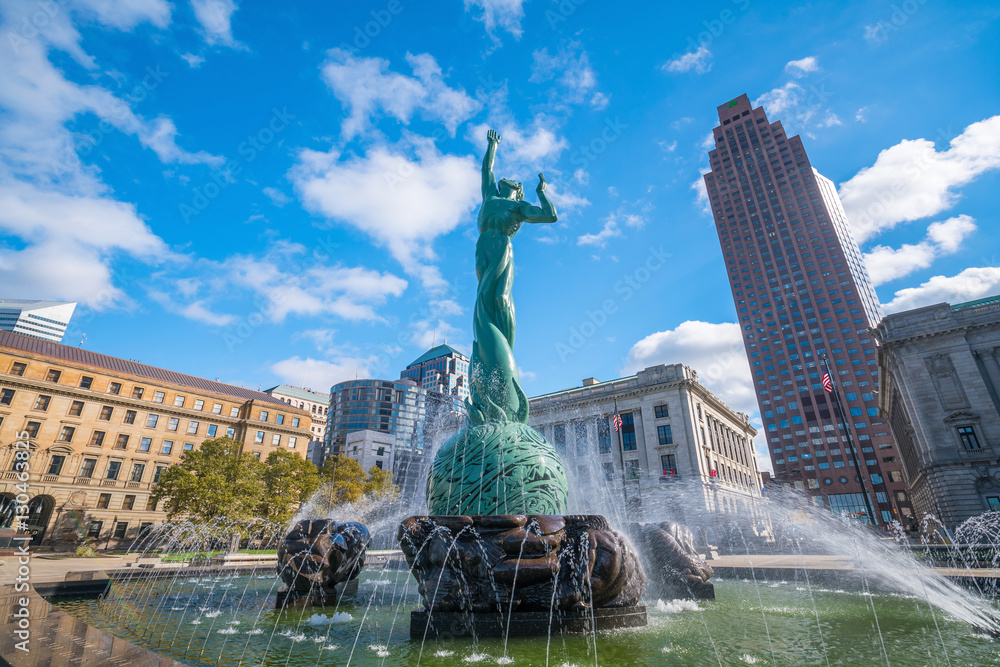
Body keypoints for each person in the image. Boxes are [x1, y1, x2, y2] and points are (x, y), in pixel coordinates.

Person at [467, 129, 557, 425]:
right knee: (483, 300)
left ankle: (506, 358)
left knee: (500, 298)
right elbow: (486, 169)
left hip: (502, 248)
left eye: (516, 184)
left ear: (518, 191)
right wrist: (492, 146)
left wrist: (541, 192)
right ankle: (491, 358)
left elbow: (550, 216)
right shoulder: (490, 196)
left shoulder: (518, 208)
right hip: (484, 248)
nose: (511, 182)